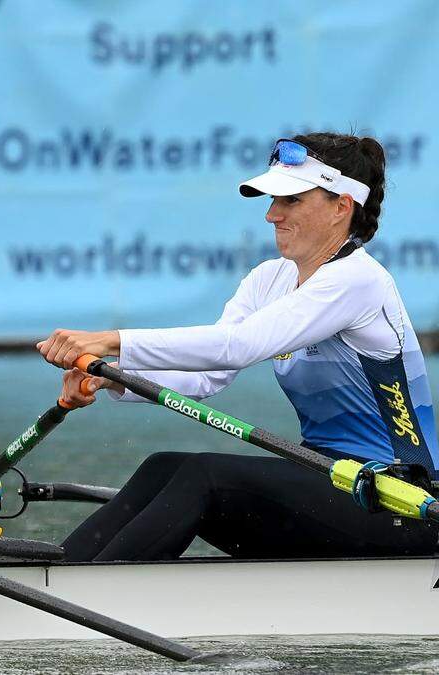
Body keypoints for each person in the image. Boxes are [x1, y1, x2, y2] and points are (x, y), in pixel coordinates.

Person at [37, 132, 439, 561]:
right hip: (328, 479)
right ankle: (59, 569)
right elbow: (210, 374)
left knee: (204, 476)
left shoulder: (359, 281)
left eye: (291, 201)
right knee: (162, 465)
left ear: (343, 205)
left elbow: (237, 347)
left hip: (398, 500)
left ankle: (88, 594)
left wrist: (110, 340)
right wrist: (113, 382)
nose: (271, 215)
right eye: (273, 201)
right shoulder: (270, 279)